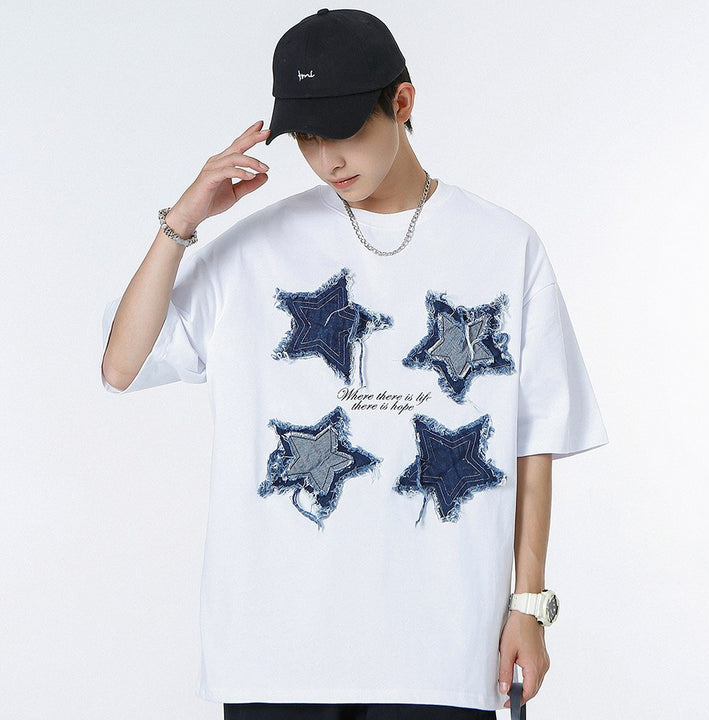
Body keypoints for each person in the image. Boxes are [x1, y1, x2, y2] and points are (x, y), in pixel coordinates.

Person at [101, 8, 608, 720]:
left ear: (402, 102)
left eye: (344, 131)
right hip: (273, 650)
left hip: (439, 651)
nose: (328, 160)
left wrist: (530, 605)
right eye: (308, 138)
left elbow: (535, 440)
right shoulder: (256, 248)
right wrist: (181, 223)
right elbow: (122, 366)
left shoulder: (504, 246)